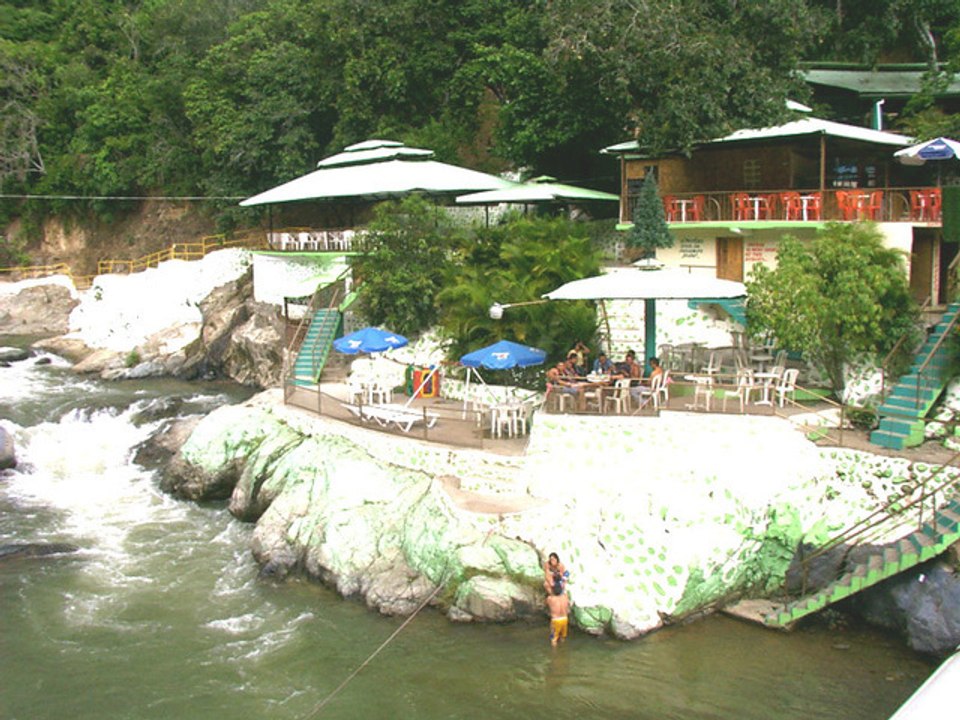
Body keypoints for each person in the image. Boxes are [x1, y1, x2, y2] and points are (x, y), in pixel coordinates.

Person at [546, 579, 570, 647]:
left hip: (556, 620)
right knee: (563, 637)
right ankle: (563, 649)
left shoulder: (550, 599)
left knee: (553, 639)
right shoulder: (565, 597)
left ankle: (555, 654)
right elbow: (564, 589)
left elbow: (547, 603)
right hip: (565, 619)